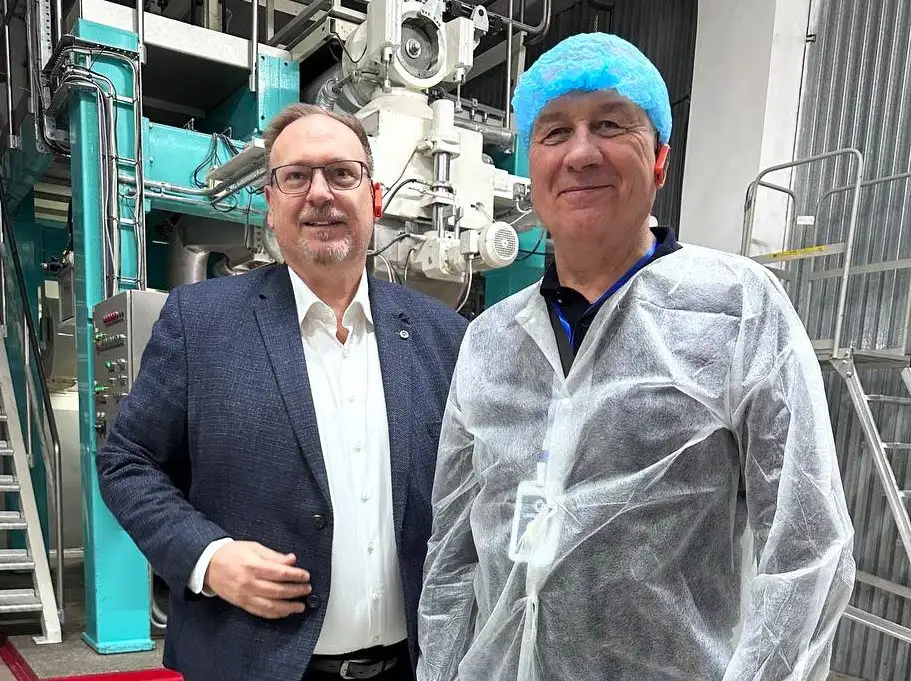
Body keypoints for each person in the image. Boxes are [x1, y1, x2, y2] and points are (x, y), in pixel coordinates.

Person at [416, 33, 855, 681]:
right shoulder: (489, 340)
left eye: (610, 124)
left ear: (659, 161)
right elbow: (453, 555)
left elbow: (806, 545)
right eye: (554, 131)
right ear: (530, 169)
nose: (581, 152)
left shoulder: (737, 308)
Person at [96, 103, 467, 681]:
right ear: (270, 204)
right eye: (295, 177)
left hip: (415, 666)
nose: (320, 193)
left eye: (342, 173)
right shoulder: (201, 323)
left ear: (375, 197)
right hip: (250, 664)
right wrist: (208, 557)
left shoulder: (444, 335)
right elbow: (127, 461)